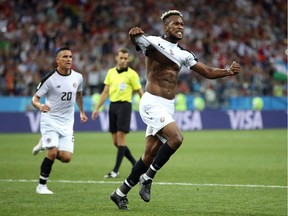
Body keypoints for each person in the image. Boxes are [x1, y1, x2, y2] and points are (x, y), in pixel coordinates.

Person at [110, 10, 241, 210]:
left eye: (182, 24)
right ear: (165, 27)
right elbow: (136, 41)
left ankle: (120, 193)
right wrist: (132, 36)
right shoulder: (152, 43)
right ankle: (148, 178)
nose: (180, 27)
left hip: (167, 106)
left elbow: (206, 71)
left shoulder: (184, 54)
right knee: (176, 138)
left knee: (149, 155)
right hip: (151, 102)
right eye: (176, 24)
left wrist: (228, 72)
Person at [31, 47, 88, 194]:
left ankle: (44, 142)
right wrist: (39, 105)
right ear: (57, 60)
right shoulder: (49, 79)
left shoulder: (78, 77)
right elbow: (34, 99)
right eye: (64, 57)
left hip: (67, 122)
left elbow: (79, 96)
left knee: (66, 158)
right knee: (52, 153)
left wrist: (81, 112)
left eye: (70, 57)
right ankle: (41, 186)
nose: (68, 59)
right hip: (50, 119)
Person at [91, 48, 143, 178]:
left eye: (126, 58)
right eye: (121, 58)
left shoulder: (132, 74)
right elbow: (105, 92)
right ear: (116, 58)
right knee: (116, 142)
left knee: (121, 139)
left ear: (128, 59)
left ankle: (115, 171)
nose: (123, 60)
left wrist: (146, 106)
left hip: (125, 106)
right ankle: (135, 164)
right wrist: (97, 108)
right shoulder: (110, 73)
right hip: (113, 106)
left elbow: (140, 91)